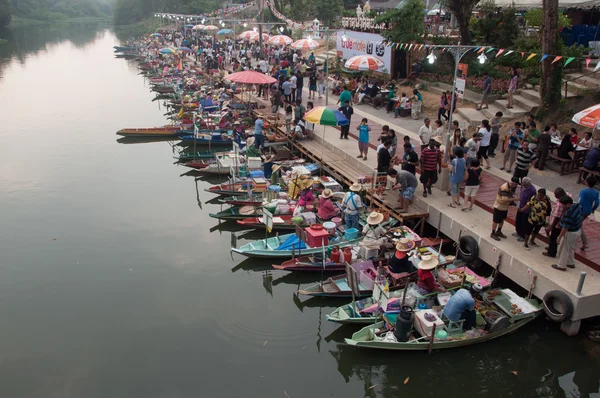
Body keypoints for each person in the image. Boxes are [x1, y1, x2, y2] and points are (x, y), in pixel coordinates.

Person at [552, 195, 583, 271]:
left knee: (564, 249)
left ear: (568, 204)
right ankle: (570, 263)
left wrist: (559, 237)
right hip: (578, 230)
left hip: (570, 233)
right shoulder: (578, 206)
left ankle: (561, 265)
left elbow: (565, 228)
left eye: (563, 204)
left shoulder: (569, 215)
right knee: (571, 248)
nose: (562, 206)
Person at [543, 188, 570, 258]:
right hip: (559, 223)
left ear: (560, 194)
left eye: (556, 195)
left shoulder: (560, 205)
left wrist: (551, 226)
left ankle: (551, 252)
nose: (554, 196)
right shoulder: (567, 195)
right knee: (553, 238)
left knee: (553, 238)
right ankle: (551, 248)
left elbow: (557, 217)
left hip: (557, 225)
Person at [578, 176, 599, 251]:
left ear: (587, 183)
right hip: (588, 210)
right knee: (579, 223)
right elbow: (597, 203)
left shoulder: (583, 191)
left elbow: (580, 201)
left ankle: (584, 241)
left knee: (578, 224)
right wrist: (592, 209)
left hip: (581, 210)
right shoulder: (596, 192)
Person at [514, 177, 536, 241]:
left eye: (524, 184)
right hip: (520, 206)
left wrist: (524, 209)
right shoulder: (523, 186)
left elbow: (531, 202)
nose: (523, 185)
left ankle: (522, 236)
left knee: (524, 223)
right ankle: (518, 232)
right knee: (518, 220)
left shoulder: (532, 190)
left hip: (526, 210)